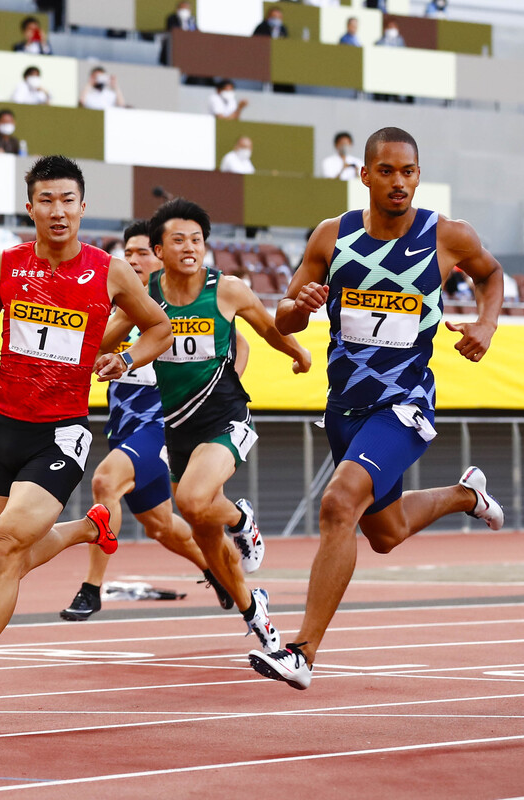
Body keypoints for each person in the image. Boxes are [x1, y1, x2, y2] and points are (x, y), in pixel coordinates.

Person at [0, 155, 173, 710]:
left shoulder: (109, 272)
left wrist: (124, 359)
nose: (57, 211)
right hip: (4, 429)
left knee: (6, 551)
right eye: (46, 200)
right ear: (30, 208)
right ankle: (88, 528)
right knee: (1, 560)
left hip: (61, 433)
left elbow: (160, 327)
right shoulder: (5, 266)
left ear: (81, 207)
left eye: (67, 200)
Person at [249, 126, 506, 691]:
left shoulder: (447, 236)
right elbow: (284, 316)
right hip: (345, 407)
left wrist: (486, 324)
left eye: (408, 171)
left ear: (419, 175)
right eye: (386, 171)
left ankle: (302, 653)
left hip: (405, 402)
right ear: (363, 175)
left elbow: (490, 274)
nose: (398, 182)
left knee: (340, 503)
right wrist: (303, 304)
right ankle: (468, 494)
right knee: (384, 532)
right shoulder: (330, 237)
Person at [60, 219, 254, 622]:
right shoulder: (119, 306)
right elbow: (90, 351)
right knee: (161, 526)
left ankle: (91, 589)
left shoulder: (179, 302)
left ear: (162, 255)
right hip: (124, 429)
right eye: (126, 252)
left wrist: (219, 391)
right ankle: (215, 570)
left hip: (162, 425)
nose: (131, 259)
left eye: (141, 252)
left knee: (105, 481)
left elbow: (240, 342)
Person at [138, 199, 309, 657]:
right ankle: (256, 612)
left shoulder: (227, 289)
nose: (190, 247)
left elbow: (269, 328)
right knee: (201, 529)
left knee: (192, 500)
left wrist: (298, 353)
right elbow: (113, 331)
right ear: (159, 249)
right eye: (178, 239)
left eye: (197, 239)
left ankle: (240, 517)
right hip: (177, 425)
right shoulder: (147, 294)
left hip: (225, 417)